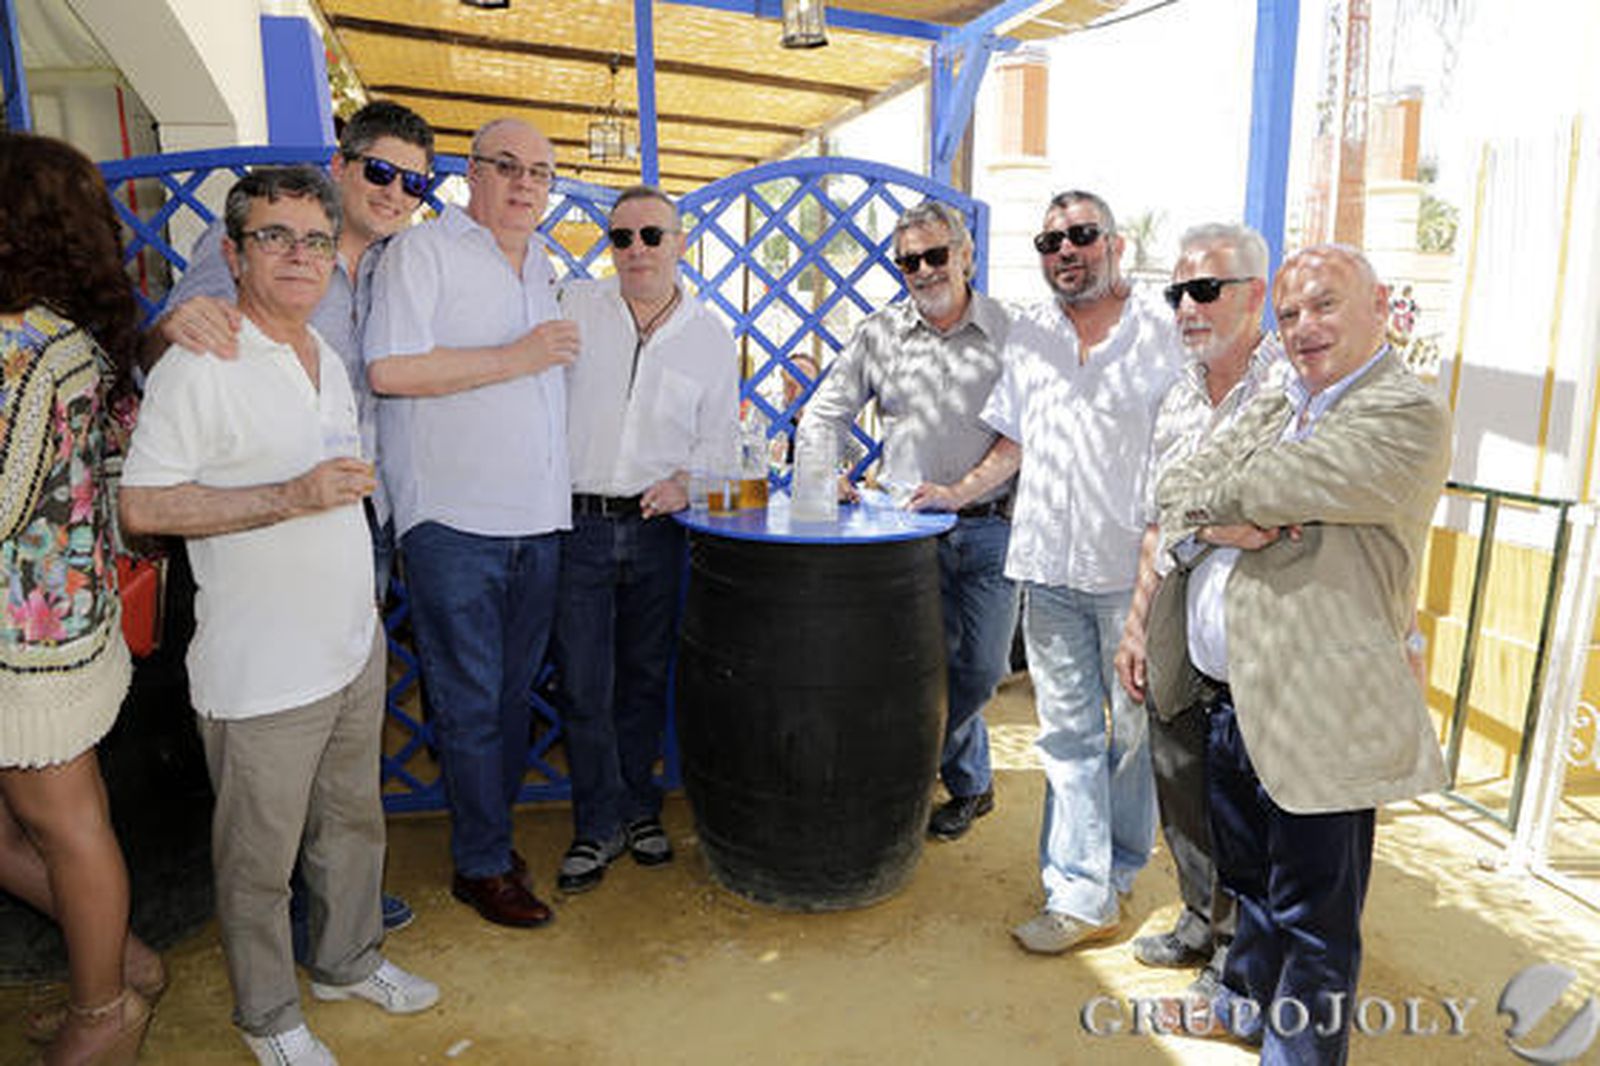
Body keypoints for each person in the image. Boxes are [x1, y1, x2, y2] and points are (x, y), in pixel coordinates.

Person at [120, 167, 439, 1066]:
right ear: (233, 254)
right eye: (274, 237)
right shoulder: (200, 365)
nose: (298, 255)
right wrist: (291, 496)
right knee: (258, 863)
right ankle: (267, 1017)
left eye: (313, 240)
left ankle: (347, 962)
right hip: (260, 669)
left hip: (348, 644)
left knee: (351, 826)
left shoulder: (324, 358)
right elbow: (143, 507)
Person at [1145, 244, 1450, 1063]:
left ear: (1379, 306)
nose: (1303, 326)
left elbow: (1275, 488)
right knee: (1250, 885)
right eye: (1288, 314)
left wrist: (1226, 503)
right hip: (1234, 697)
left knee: (1315, 918)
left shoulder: (1404, 412)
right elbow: (1175, 485)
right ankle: (1244, 1006)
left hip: (1321, 708)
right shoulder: (1282, 403)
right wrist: (1222, 521)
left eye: (1324, 304)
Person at [364, 118, 578, 928]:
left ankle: (490, 842)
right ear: (473, 174)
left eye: (541, 173)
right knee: (471, 701)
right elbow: (389, 369)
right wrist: (517, 357)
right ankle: (482, 864)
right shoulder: (423, 251)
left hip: (537, 519)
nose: (526, 184)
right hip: (455, 520)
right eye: (508, 167)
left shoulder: (542, 262)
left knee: (511, 698)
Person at [981, 190, 1179, 952]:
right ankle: (1079, 890)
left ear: (1116, 244)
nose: (1065, 250)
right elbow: (1012, 442)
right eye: (1051, 241)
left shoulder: (1163, 331)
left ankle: (1116, 869)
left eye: (1081, 235)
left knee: (1133, 736)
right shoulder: (1030, 334)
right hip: (1047, 567)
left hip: (1133, 575)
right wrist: (955, 492)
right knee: (1067, 736)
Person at [0, 130, 161, 1066]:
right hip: (64, 618)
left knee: (64, 827)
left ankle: (106, 1011)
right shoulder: (81, 337)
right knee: (52, 828)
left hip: (28, 642)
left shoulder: (23, 342)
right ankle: (123, 965)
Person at [797, 199, 1018, 842]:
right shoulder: (879, 334)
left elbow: (1026, 433)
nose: (922, 270)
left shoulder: (1011, 331)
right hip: (906, 535)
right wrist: (825, 474)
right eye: (907, 262)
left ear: (966, 255)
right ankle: (969, 784)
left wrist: (960, 491)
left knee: (981, 669)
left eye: (935, 255)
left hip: (991, 527)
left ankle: (909, 757)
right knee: (915, 665)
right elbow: (823, 414)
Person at [1112, 222, 1288, 995]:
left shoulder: (1292, 389)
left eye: (1206, 289)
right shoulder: (1177, 395)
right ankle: (1197, 919)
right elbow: (1159, 521)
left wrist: (1214, 523)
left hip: (1262, 606)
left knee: (1249, 790)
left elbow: (1274, 519)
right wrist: (1138, 626)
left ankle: (1239, 956)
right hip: (1179, 597)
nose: (1188, 306)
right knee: (1178, 768)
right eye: (1178, 292)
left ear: (1255, 294)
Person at [551, 186, 739, 892]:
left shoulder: (710, 337)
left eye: (652, 236)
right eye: (621, 237)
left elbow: (721, 445)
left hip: (659, 534)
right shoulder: (573, 306)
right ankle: (595, 825)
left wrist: (688, 482)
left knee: (643, 680)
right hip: (578, 526)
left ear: (680, 243)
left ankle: (639, 811)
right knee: (582, 684)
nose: (636, 250)